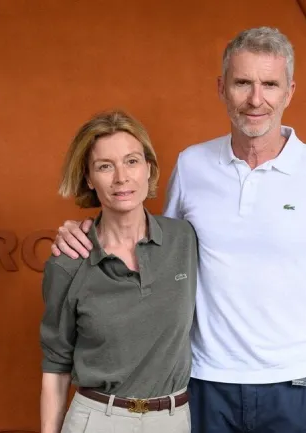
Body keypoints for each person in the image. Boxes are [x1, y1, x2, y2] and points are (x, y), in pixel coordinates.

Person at [51, 27, 306, 433]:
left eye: (270, 85)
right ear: (222, 89)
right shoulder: (192, 166)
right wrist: (85, 230)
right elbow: (154, 248)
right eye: (242, 83)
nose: (255, 99)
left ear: (289, 92)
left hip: (295, 390)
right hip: (205, 388)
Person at [39, 109, 198, 433]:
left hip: (173, 420)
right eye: (105, 166)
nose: (121, 178)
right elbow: (55, 367)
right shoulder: (67, 261)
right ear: (88, 177)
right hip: (97, 420)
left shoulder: (184, 240)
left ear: (148, 168)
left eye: (131, 161)